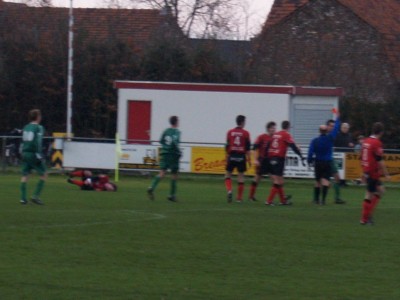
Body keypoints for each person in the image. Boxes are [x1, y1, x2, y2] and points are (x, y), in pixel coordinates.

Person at [266, 120, 306, 206]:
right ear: (288, 127)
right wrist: (300, 156)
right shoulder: (286, 134)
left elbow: (268, 145)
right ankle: (269, 201)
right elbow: (293, 146)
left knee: (280, 180)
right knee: (277, 180)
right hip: (279, 158)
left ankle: (283, 201)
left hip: (271, 158)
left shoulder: (276, 134)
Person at [360, 122, 390, 225]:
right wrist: (386, 173)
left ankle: (368, 216)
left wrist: (364, 171)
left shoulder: (366, 141)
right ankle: (365, 219)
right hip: (372, 172)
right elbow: (379, 160)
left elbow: (362, 156)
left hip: (369, 171)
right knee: (369, 194)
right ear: (381, 132)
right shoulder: (376, 143)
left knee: (381, 191)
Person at [147, 116, 181, 202]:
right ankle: (172, 195)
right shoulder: (177, 132)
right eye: (178, 121)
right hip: (173, 154)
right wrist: (178, 151)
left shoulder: (166, 131)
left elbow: (161, 141)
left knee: (162, 173)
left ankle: (151, 187)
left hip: (164, 153)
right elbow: (175, 142)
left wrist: (166, 147)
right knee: (174, 175)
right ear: (176, 122)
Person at [307, 118, 340, 205]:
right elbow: (336, 129)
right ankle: (323, 200)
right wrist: (338, 118)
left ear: (319, 131)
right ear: (326, 131)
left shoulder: (314, 141)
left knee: (317, 181)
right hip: (327, 162)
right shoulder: (330, 138)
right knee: (326, 181)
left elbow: (310, 153)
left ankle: (316, 200)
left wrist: (309, 161)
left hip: (318, 162)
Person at [20, 109, 47, 205]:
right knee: (43, 174)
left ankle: (23, 198)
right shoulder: (39, 128)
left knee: (25, 174)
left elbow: (23, 141)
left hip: (25, 152)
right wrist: (39, 154)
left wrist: (21, 152)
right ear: (38, 117)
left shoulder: (26, 127)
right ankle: (35, 196)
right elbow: (38, 142)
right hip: (33, 153)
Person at [224, 115, 251, 203]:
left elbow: (227, 146)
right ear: (242, 122)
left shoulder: (230, 132)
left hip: (232, 155)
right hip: (241, 156)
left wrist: (226, 157)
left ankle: (229, 190)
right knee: (241, 177)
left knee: (228, 175)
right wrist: (249, 159)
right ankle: (239, 198)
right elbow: (247, 148)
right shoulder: (246, 133)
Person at [248, 122, 276, 201]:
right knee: (257, 178)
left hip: (271, 161)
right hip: (262, 160)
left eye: (274, 128)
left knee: (275, 179)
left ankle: (277, 198)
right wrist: (255, 160)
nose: (274, 129)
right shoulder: (261, 137)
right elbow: (253, 149)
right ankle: (251, 196)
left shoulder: (276, 138)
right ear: (268, 129)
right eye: (272, 128)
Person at [326, 119, 346, 204]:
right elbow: (337, 128)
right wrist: (338, 118)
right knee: (323, 181)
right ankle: (318, 198)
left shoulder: (329, 134)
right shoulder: (329, 135)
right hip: (326, 160)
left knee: (336, 178)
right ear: (327, 126)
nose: (333, 127)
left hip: (330, 159)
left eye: (333, 126)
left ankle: (337, 198)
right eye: (331, 126)